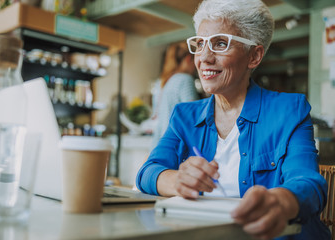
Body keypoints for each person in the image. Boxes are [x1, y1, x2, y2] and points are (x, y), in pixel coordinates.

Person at [136, 0, 331, 239]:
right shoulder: (184, 116)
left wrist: (280, 200)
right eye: (200, 43)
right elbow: (147, 172)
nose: (204, 58)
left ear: (254, 56)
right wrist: (177, 180)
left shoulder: (290, 110)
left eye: (220, 43)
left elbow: (310, 183)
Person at [151, 42, 199, 149]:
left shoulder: (161, 82)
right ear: (188, 59)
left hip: (160, 144)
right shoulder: (185, 79)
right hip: (177, 144)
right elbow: (193, 116)